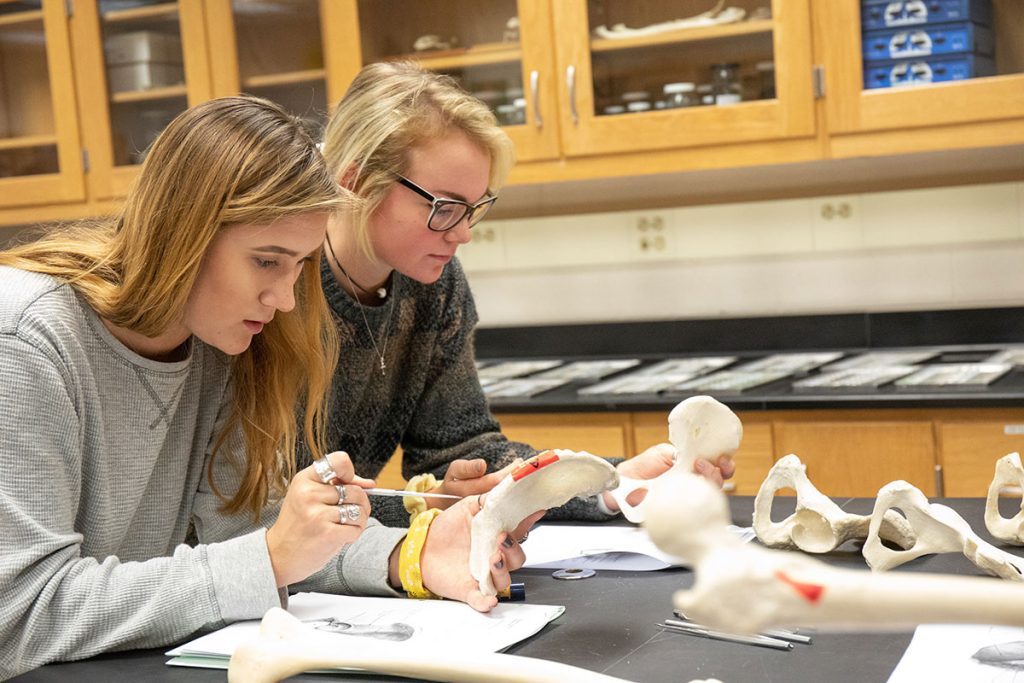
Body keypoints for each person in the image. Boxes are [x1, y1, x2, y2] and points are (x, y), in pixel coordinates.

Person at [0, 95, 531, 679]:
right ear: (183, 235)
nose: (283, 300)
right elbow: (20, 614)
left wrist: (414, 554)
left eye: (299, 265)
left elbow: (253, 533)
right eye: (265, 262)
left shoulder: (216, 338)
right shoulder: (24, 341)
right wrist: (271, 555)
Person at [316, 61, 735, 528]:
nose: (463, 235)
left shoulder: (435, 286)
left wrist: (613, 483)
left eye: (473, 209)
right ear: (354, 183)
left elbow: (460, 452)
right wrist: (431, 506)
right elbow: (268, 508)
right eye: (445, 207)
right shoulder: (277, 287)